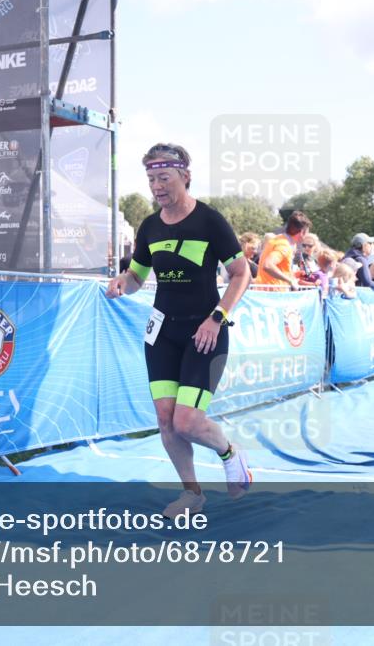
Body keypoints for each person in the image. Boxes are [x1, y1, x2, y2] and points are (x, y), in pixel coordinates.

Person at [105, 143, 252, 518]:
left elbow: (241, 274)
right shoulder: (150, 226)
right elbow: (138, 276)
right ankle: (192, 493)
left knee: (187, 421)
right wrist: (122, 281)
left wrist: (216, 317)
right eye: (151, 179)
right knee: (166, 420)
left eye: (164, 178)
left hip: (206, 331)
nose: (157, 186)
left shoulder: (209, 221)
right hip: (162, 334)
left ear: (185, 177)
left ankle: (230, 454)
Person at [253, 211, 311, 289]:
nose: (307, 235)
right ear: (301, 232)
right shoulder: (284, 246)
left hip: (267, 292)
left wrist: (293, 275)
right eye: (307, 232)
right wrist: (290, 280)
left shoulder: (278, 239)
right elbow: (267, 265)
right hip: (273, 295)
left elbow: (276, 269)